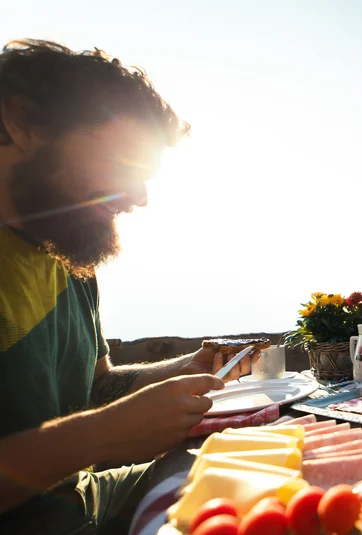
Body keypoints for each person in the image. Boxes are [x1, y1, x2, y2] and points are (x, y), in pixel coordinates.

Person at [0, 40, 259, 534]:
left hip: (88, 502)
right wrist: (101, 437)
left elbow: (95, 391)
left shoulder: (67, 254)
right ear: (25, 123)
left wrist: (182, 367)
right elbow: (97, 426)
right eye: (123, 164)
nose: (139, 197)